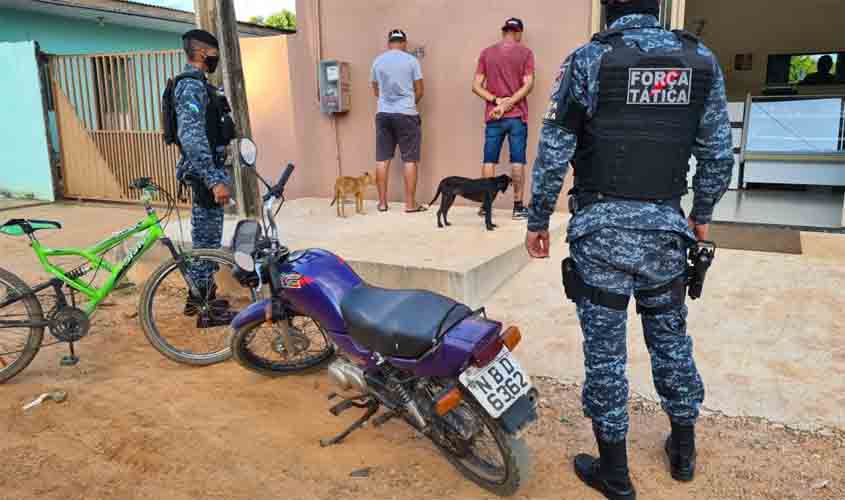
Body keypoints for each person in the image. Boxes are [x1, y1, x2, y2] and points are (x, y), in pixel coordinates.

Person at [525, 1, 733, 498]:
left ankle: (615, 473)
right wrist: (702, 213)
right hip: (664, 232)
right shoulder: (699, 60)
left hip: (600, 235)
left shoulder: (589, 59)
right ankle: (683, 452)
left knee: (605, 356)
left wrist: (538, 218)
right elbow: (718, 153)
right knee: (671, 341)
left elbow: (554, 149)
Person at [174, 29, 237, 327]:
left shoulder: (200, 84)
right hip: (203, 175)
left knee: (207, 239)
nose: (216, 58)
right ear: (201, 53)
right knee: (205, 243)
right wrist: (214, 179)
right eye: (213, 53)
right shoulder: (190, 86)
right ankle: (205, 310)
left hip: (206, 171)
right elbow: (191, 136)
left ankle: (199, 297)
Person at [473, 17, 535, 220]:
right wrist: (509, 104)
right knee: (517, 160)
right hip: (517, 116)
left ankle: (486, 206)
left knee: (489, 160)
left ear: (504, 32)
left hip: (494, 116)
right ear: (519, 33)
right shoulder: (525, 53)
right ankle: (518, 207)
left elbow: (476, 86)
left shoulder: (487, 53)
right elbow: (528, 85)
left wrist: (497, 102)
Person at [370, 29, 426, 213]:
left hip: (383, 113)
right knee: (410, 159)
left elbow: (375, 89)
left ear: (389, 43)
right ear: (404, 43)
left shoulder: (378, 61)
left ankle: (382, 203)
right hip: (406, 113)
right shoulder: (411, 61)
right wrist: (408, 103)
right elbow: (420, 90)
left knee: (382, 158)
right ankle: (410, 204)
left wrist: (388, 102)